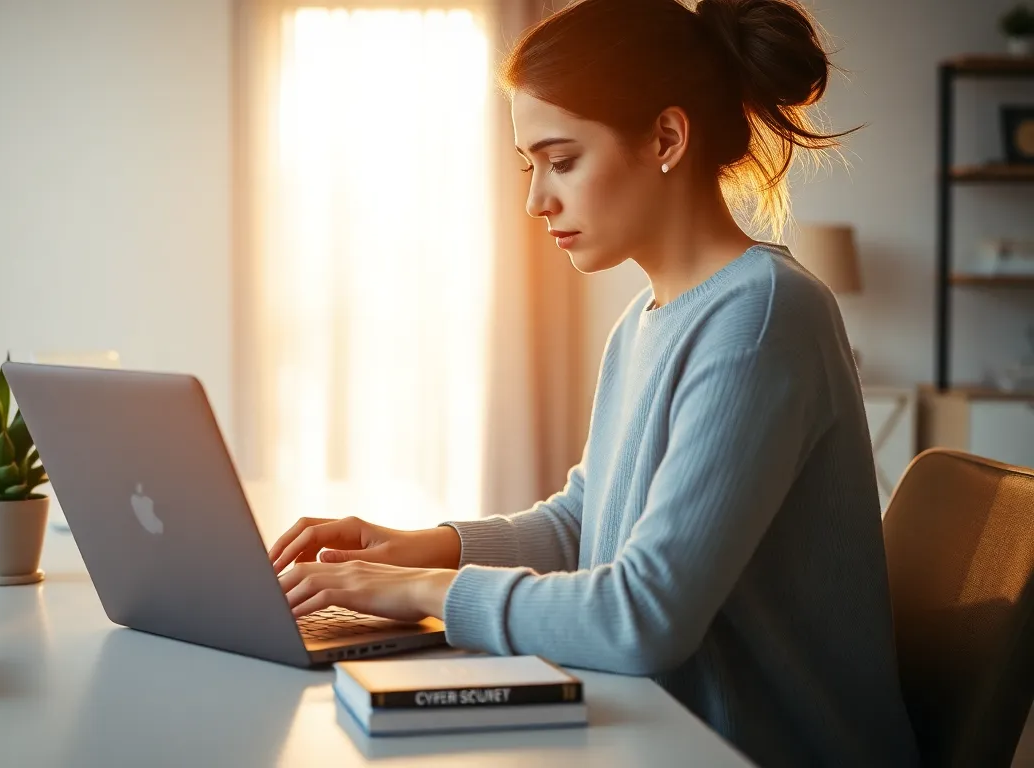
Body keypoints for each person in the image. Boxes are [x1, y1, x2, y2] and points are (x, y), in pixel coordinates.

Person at [268, 0, 920, 765]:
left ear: (667, 138)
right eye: (530, 165)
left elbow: (642, 617)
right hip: (658, 728)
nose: (536, 199)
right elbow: (587, 523)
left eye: (562, 159)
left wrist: (414, 596)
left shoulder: (763, 317)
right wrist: (422, 548)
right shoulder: (648, 320)